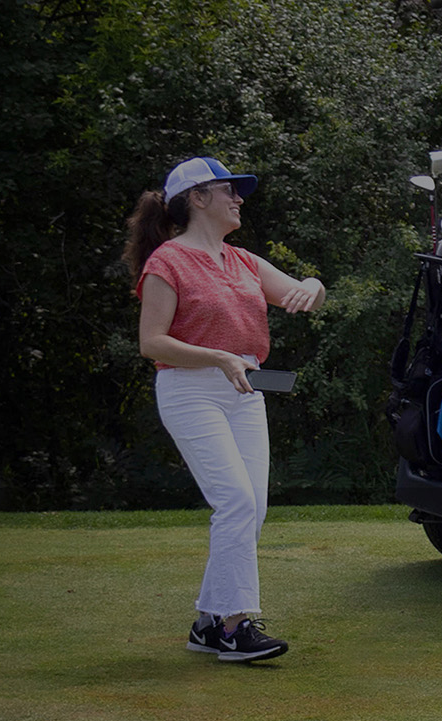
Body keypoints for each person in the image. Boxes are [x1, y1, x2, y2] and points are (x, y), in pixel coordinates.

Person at [126, 156, 327, 663]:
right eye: (228, 190)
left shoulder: (243, 260)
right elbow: (152, 343)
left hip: (243, 391)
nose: (238, 199)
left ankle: (206, 623)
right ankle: (236, 628)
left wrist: (313, 286)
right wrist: (218, 357)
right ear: (197, 198)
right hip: (190, 390)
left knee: (251, 508)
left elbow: (302, 295)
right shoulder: (166, 262)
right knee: (236, 501)